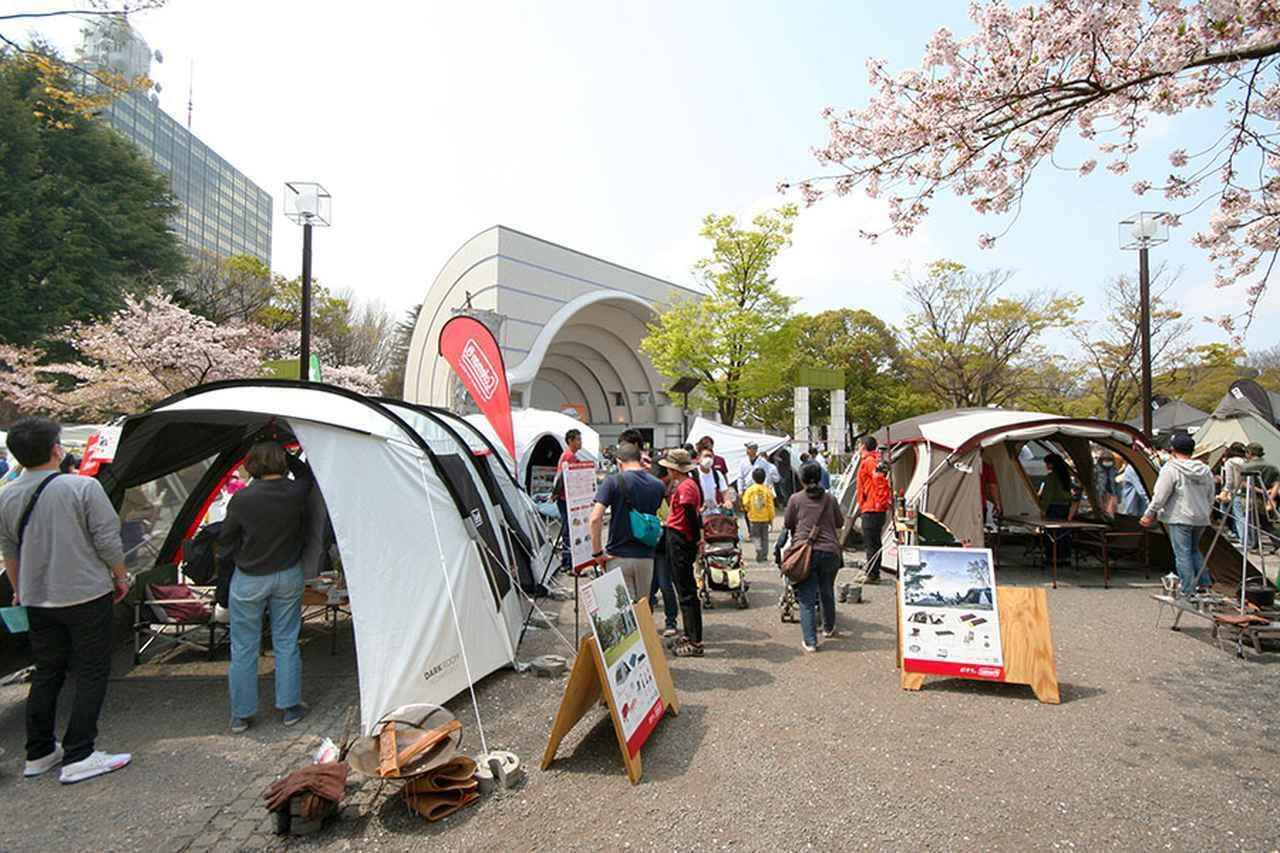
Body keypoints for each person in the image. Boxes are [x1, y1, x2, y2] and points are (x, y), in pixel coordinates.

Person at [0, 417, 132, 784]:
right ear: (56, 449)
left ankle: (39, 752)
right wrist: (121, 577)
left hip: (37, 597)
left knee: (47, 671)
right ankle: (80, 753)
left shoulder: (7, 494)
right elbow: (108, 540)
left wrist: (19, 587)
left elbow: (10, 549)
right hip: (85, 593)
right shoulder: (83, 488)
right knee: (90, 671)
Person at [217, 440, 314, 733]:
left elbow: (226, 542)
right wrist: (287, 456)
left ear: (252, 465)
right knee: (286, 641)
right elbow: (307, 475)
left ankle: (241, 714)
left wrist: (226, 572)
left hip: (249, 578)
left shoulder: (243, 499)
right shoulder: (297, 492)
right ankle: (290, 707)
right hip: (288, 574)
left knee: (245, 646)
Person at [589, 437, 665, 602]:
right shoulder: (658, 485)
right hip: (646, 556)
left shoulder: (613, 482)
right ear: (640, 459)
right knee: (643, 608)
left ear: (619, 461)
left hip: (617, 555)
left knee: (623, 613)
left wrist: (597, 553)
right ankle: (646, 628)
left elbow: (595, 518)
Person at [1141, 433, 1216, 596]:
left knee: (1182, 553)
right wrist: (1207, 511)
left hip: (1179, 516)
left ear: (1173, 450)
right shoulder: (1205, 470)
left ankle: (1187, 588)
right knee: (1194, 550)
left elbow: (1160, 495)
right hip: (1201, 517)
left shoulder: (1171, 469)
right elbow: (1211, 495)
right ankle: (1205, 584)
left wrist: (1149, 513)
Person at [783, 462, 845, 652]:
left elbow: (788, 523)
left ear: (801, 479)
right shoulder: (830, 499)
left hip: (805, 553)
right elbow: (840, 523)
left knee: (807, 599)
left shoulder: (795, 499)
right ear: (819, 477)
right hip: (829, 552)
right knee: (827, 591)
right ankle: (828, 628)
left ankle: (810, 641)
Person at [660, 448, 704, 657]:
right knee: (684, 590)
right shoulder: (687, 485)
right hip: (679, 537)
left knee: (686, 593)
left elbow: (690, 517)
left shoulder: (686, 487)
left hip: (680, 539)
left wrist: (693, 540)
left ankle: (695, 641)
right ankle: (690, 634)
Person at [648, 452, 679, 636]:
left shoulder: (670, 492)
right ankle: (647, 622)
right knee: (650, 587)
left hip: (662, 547)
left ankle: (670, 621)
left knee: (665, 584)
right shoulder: (657, 490)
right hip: (652, 545)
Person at [855, 435, 891, 583]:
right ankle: (872, 570)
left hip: (872, 508)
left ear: (863, 446)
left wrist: (880, 503)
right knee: (873, 541)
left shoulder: (869, 462)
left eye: (859, 445)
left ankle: (872, 574)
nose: (858, 448)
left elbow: (880, 482)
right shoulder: (872, 461)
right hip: (871, 506)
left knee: (871, 542)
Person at [553, 429, 584, 572]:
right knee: (568, 530)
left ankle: (568, 561)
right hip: (565, 499)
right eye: (578, 439)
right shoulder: (569, 457)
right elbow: (561, 478)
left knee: (569, 529)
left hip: (567, 498)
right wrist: (556, 494)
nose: (580, 442)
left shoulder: (570, 456)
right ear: (571, 441)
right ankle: (568, 562)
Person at [1039, 452, 1077, 560]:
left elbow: (1048, 495)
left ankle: (1052, 557)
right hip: (1065, 507)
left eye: (1047, 463)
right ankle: (1064, 556)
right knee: (1063, 534)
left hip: (1054, 508)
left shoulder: (1051, 477)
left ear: (1051, 464)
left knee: (1051, 534)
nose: (1046, 466)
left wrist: (1043, 509)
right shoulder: (1065, 476)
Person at [1239, 441, 1280, 536]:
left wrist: (1260, 491)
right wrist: (1270, 497)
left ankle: (1253, 544)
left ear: (1249, 453)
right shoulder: (1272, 467)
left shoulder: (1246, 466)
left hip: (1249, 498)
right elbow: (1277, 483)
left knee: (1250, 522)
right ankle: (1276, 541)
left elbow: (1244, 483)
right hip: (1265, 500)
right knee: (1266, 523)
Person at [741, 467, 775, 562]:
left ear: (753, 477)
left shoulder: (750, 490)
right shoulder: (767, 490)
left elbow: (745, 502)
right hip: (765, 518)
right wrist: (771, 518)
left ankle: (758, 550)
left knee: (756, 537)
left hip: (753, 518)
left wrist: (748, 510)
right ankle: (764, 554)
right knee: (765, 537)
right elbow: (770, 505)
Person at [1218, 442, 1248, 536]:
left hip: (1234, 491)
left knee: (1231, 514)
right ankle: (1244, 537)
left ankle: (1239, 536)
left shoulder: (1230, 462)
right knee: (1242, 516)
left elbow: (1229, 480)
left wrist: (1225, 491)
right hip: (1245, 491)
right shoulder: (1246, 461)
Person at [1093, 449, 1120, 518]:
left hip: (1111, 493)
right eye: (1106, 460)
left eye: (1109, 460)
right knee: (1101, 511)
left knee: (1110, 512)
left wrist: (1118, 496)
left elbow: (1117, 483)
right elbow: (1093, 482)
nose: (1107, 462)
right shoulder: (1096, 470)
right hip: (1100, 492)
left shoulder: (1114, 469)